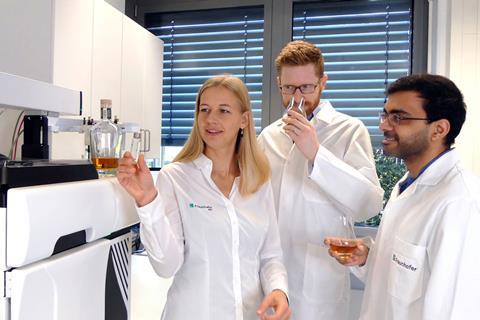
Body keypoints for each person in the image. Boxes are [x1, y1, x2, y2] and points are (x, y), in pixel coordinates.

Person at [117, 75, 291, 320]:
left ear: (244, 120)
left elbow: (270, 255)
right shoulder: (176, 177)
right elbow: (167, 265)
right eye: (205, 109)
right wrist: (147, 200)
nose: (211, 119)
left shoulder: (258, 182)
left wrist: (279, 290)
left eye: (223, 110)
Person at [325, 74, 480, 319]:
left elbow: (454, 310)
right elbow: (408, 277)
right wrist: (370, 258)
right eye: (385, 115)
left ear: (439, 129)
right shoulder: (406, 185)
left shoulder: (460, 203)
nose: (384, 125)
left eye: (399, 117)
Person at [257, 40, 384, 319]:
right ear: (279, 83)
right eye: (289, 88)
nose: (297, 97)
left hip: (321, 281)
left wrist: (316, 153)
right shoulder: (268, 136)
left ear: (323, 82)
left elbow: (369, 204)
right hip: (271, 275)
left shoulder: (349, 130)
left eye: (306, 87)